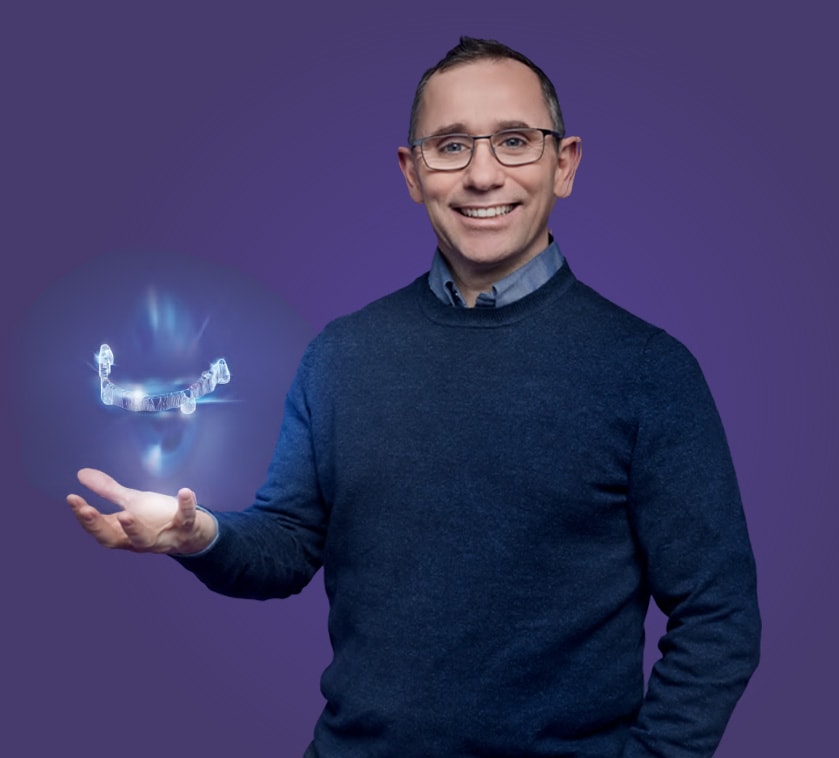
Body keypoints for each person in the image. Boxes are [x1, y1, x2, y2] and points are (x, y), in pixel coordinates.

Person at [68, 36, 761, 757]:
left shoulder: (647, 370)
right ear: (412, 171)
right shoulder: (340, 355)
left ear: (564, 164)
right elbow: (287, 545)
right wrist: (200, 536)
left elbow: (719, 617)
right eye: (451, 146)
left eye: (515, 141)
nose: (483, 176)